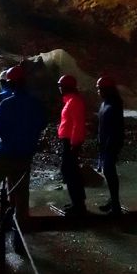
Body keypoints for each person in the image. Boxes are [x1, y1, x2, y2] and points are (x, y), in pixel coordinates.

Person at [0, 66, 45, 240]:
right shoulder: (36, 103)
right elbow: (41, 124)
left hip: (7, 153)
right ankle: (20, 229)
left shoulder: (7, 103)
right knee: (21, 192)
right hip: (26, 155)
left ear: (11, 83)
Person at [57, 74, 87, 216]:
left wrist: (74, 144)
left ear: (66, 87)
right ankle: (77, 202)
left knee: (70, 171)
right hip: (69, 140)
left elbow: (77, 124)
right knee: (70, 171)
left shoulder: (74, 101)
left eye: (61, 86)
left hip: (71, 141)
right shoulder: (71, 101)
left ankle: (79, 204)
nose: (59, 88)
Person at [96, 75, 125, 217]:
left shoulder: (114, 104)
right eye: (98, 89)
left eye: (100, 88)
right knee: (108, 172)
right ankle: (112, 201)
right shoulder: (105, 103)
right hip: (105, 143)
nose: (98, 91)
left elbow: (117, 128)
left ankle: (115, 204)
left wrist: (111, 145)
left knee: (109, 172)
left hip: (111, 143)